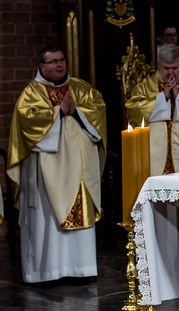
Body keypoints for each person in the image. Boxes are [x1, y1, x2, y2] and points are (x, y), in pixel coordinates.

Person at [7, 46, 106, 283]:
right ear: (42, 66)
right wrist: (57, 113)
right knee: (47, 217)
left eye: (62, 60)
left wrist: (78, 112)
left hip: (80, 168)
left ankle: (82, 269)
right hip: (47, 168)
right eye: (53, 62)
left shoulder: (81, 88)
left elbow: (98, 111)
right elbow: (27, 120)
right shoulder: (32, 92)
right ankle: (48, 272)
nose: (59, 65)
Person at [125, 44, 179, 175]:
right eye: (166, 68)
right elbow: (135, 109)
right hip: (154, 151)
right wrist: (162, 97)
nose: (170, 73)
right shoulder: (145, 86)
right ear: (159, 64)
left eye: (174, 68)